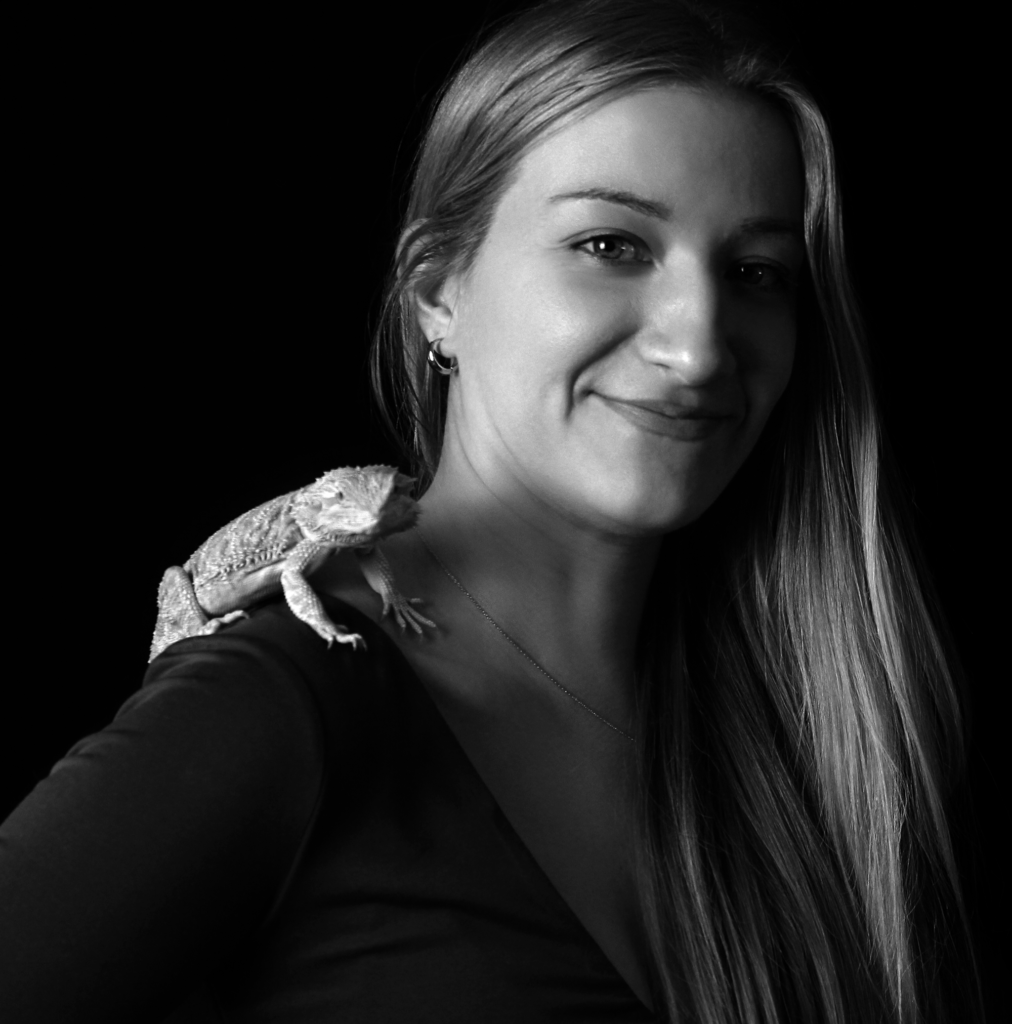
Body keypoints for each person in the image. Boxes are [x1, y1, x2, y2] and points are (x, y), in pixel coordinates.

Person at [0, 1, 982, 1021]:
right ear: (438, 293)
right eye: (610, 244)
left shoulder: (822, 736)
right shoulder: (283, 701)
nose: (698, 349)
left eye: (754, 273)